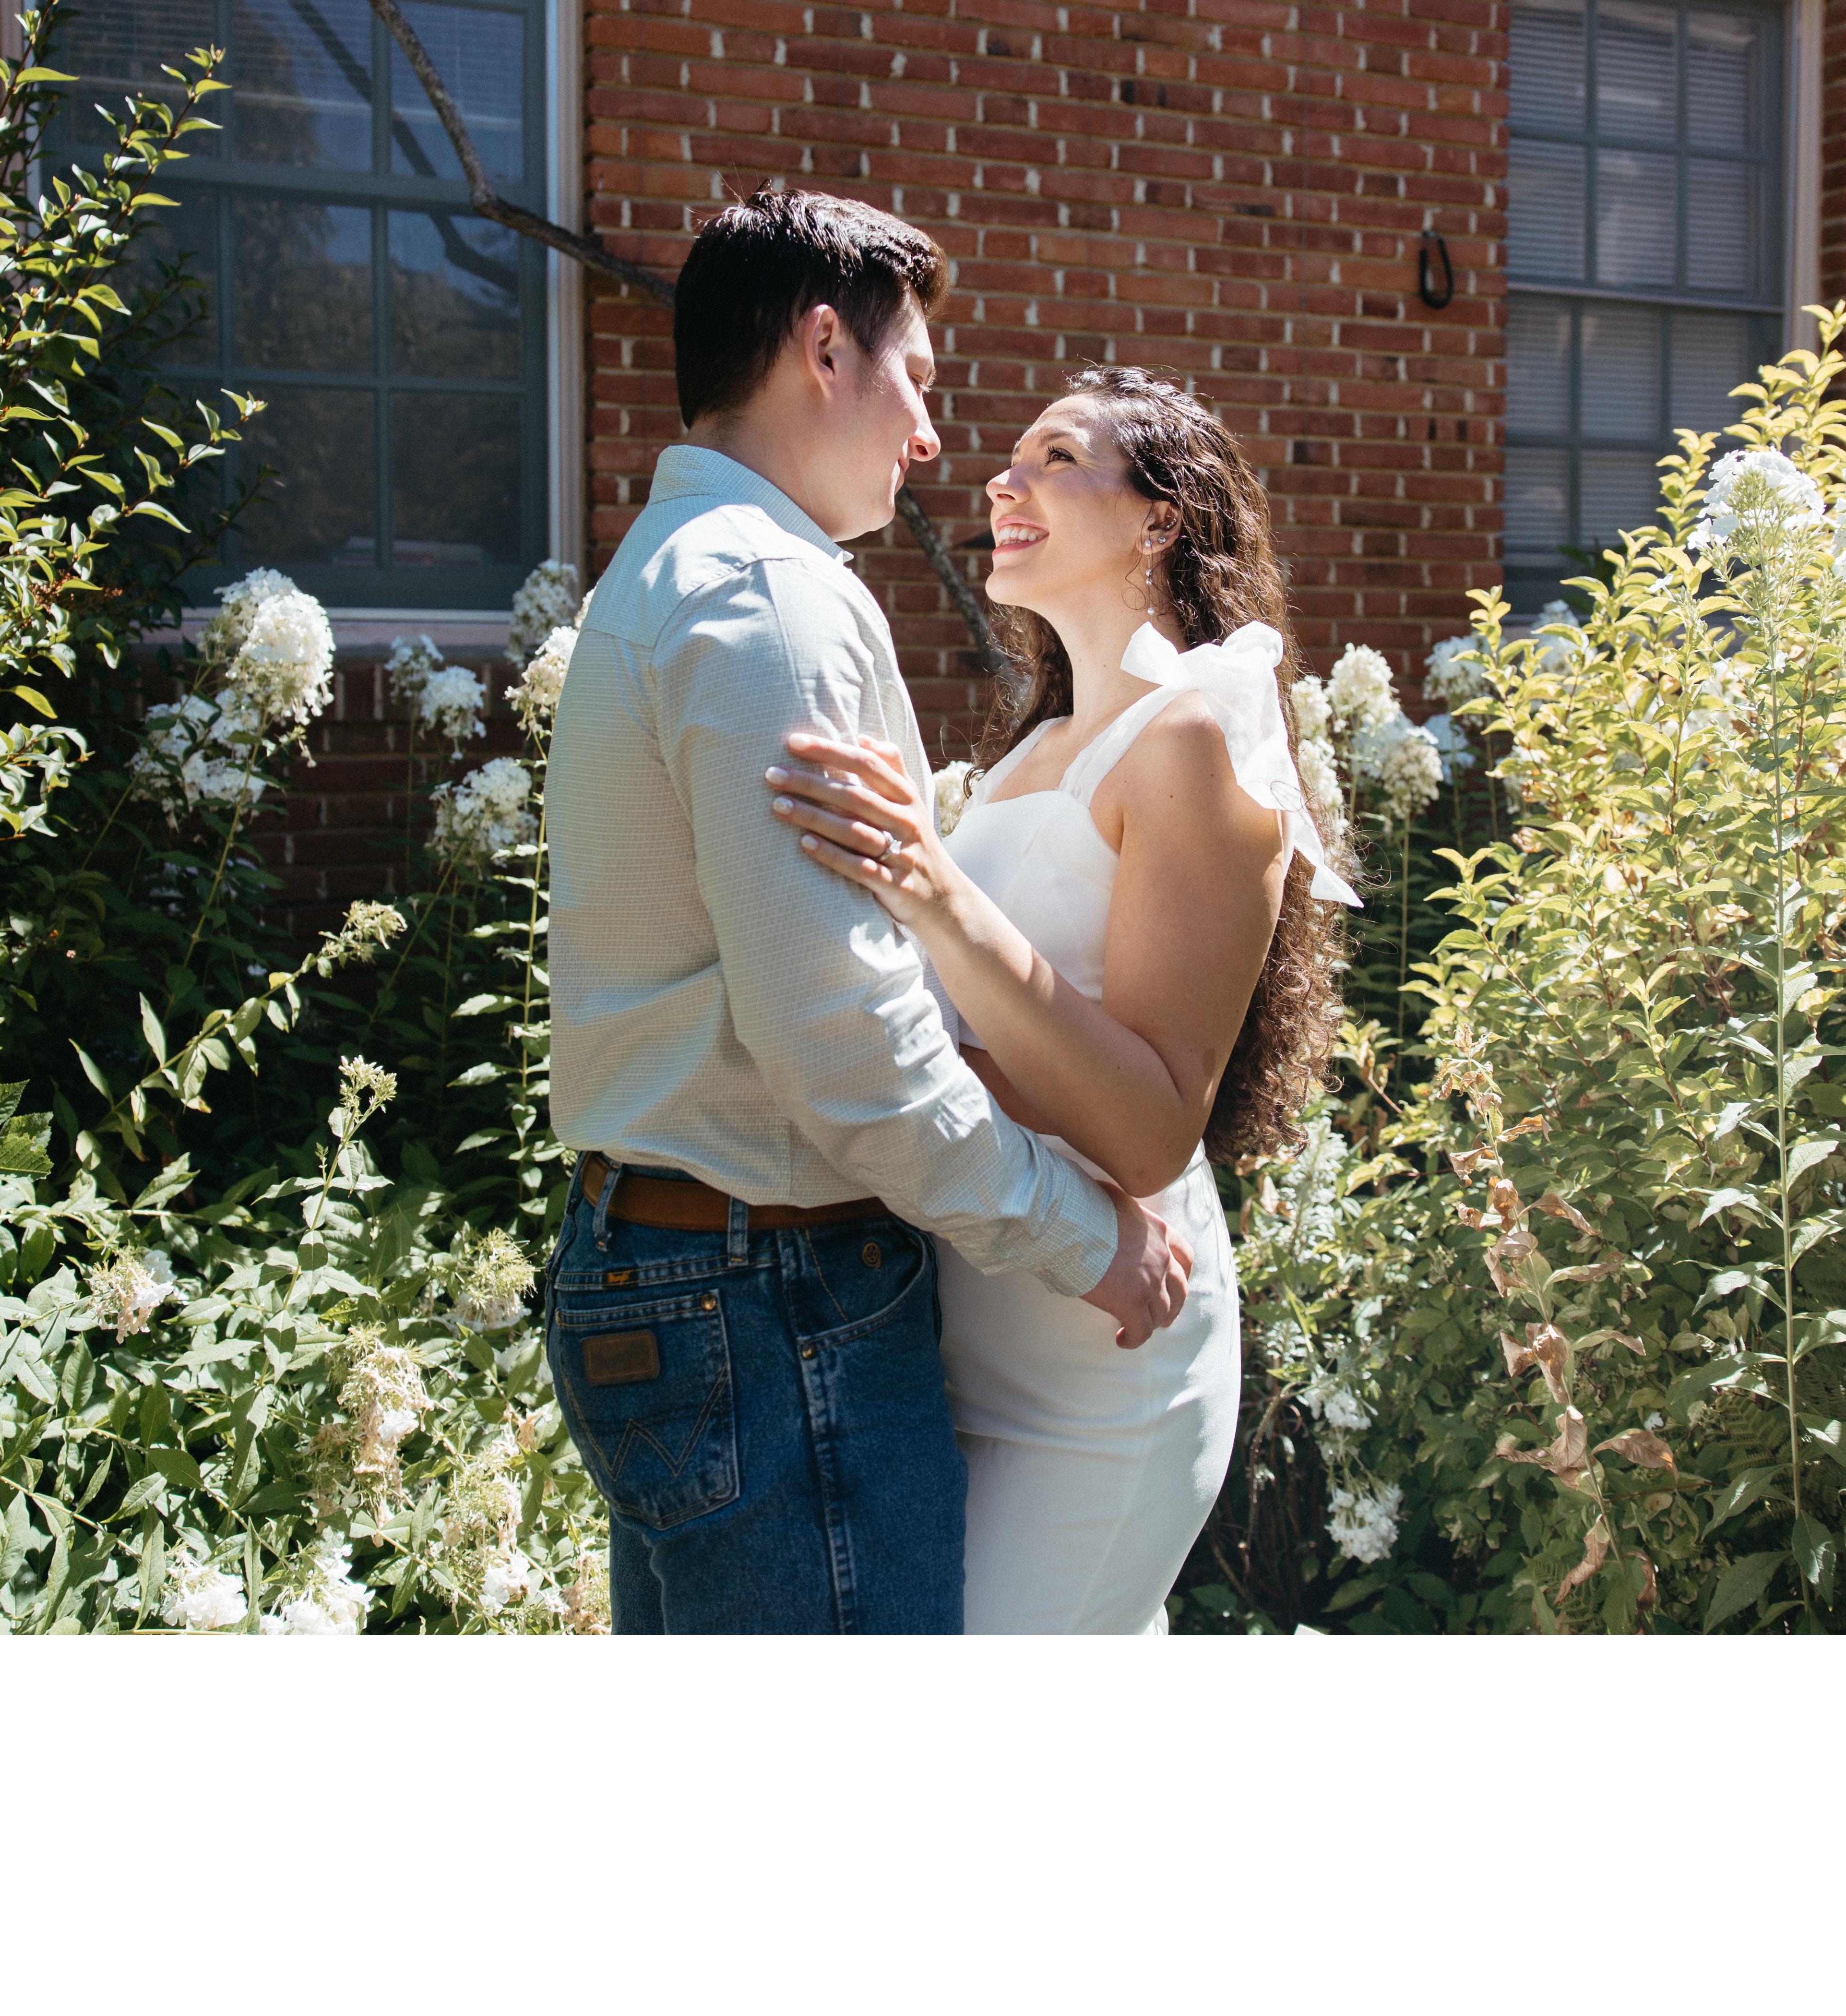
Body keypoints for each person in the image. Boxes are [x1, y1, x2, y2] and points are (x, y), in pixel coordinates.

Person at [543, 189, 1189, 1636]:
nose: (933, 438)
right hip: (773, 1302)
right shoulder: (771, 599)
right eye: (921, 379)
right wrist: (1086, 1239)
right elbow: (847, 1051)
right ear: (825, 349)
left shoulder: (667, 567)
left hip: (687, 1275)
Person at [762, 366, 1355, 1632]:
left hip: (1101, 1387)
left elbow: (1149, 1130)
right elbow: (976, 1028)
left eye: (1057, 458)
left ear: (1159, 520)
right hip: (966, 1336)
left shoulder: (1196, 738)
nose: (1003, 481)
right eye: (1013, 459)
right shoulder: (1039, 744)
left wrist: (932, 892)